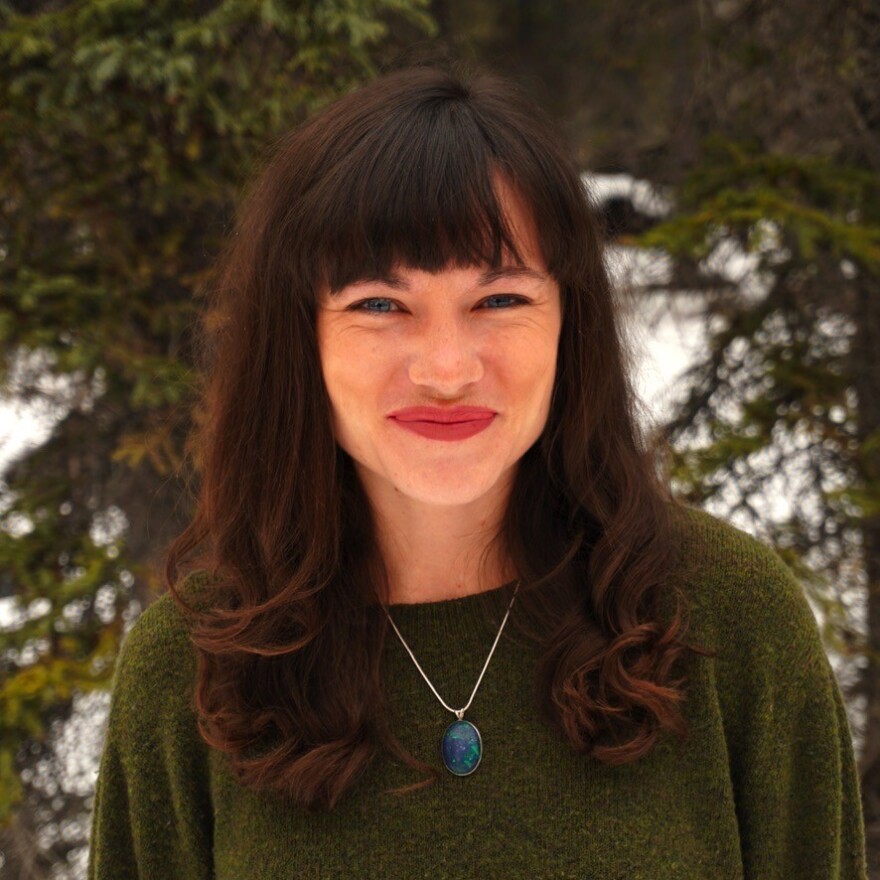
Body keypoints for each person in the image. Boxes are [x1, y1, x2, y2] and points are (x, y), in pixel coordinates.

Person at [86, 62, 868, 879]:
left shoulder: (728, 621)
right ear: (300, 340)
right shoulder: (195, 666)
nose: (448, 369)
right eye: (380, 305)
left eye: (499, 301)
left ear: (571, 324)